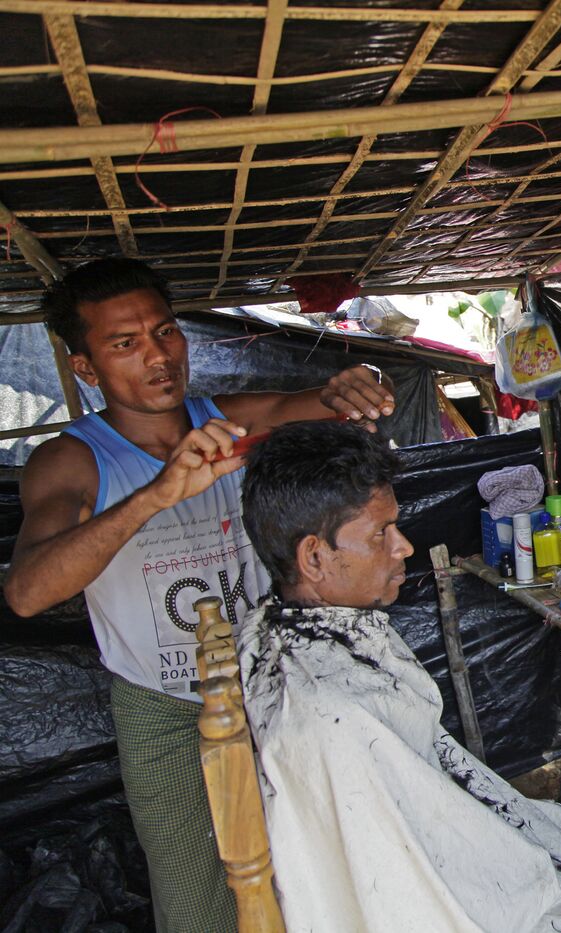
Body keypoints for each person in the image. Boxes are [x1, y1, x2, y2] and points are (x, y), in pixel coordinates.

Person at [3, 257, 396, 933]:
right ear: (85, 367)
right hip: (162, 709)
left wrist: (365, 379)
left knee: (322, 868)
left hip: (274, 676)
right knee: (195, 902)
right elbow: (27, 593)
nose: (157, 356)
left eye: (164, 332)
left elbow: (327, 398)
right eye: (125, 343)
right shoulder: (71, 461)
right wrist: (157, 494)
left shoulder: (229, 421)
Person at [237, 420, 561, 932]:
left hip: (434, 831)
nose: (403, 547)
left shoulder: (274, 629)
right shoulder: (333, 718)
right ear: (314, 557)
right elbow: (415, 889)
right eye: (380, 533)